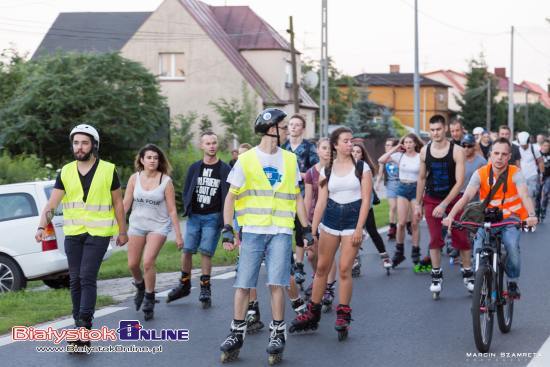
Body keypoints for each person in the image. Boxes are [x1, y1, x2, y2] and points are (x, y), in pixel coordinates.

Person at [218, 108, 313, 363]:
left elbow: (297, 197)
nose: (286, 130)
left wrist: (306, 228)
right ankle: (236, 332)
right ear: (270, 129)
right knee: (243, 283)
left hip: (281, 231)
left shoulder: (290, 160)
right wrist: (228, 228)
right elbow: (231, 197)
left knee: (277, 283)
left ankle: (277, 333)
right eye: (283, 127)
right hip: (252, 231)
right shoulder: (247, 159)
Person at [35, 124, 127, 349]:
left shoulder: (108, 169)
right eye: (76, 142)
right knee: (74, 280)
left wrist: (122, 231)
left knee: (87, 277)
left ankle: (84, 326)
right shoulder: (65, 171)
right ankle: (79, 325)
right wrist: (41, 226)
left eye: (84, 142)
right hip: (74, 234)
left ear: (94, 145)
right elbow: (52, 203)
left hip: (99, 233)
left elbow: (117, 203)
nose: (79, 147)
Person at [290, 127, 371, 340]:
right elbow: (321, 202)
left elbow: (365, 201)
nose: (350, 144)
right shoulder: (327, 169)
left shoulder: (362, 168)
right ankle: (312, 313)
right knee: (322, 268)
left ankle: (343, 313)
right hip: (331, 221)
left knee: (344, 269)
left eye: (351, 140)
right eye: (345, 141)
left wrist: (360, 228)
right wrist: (312, 229)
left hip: (352, 221)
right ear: (336, 145)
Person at [443, 138, 539, 299]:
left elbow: (524, 195)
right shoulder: (480, 174)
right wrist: (451, 216)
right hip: (486, 220)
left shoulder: (515, 173)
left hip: (510, 220)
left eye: (503, 154)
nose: (499, 157)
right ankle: (482, 281)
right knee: (478, 250)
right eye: (496, 153)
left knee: (511, 246)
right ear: (490, 155)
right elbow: (466, 196)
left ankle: (512, 282)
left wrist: (531, 215)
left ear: (509, 157)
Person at [166, 131, 231, 308]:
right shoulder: (195, 167)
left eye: (214, 143)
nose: (211, 146)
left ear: (217, 145)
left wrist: (226, 222)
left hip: (213, 216)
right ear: (201, 146)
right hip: (195, 216)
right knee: (187, 250)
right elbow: (188, 188)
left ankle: (205, 287)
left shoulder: (224, 169)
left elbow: (229, 195)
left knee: (206, 252)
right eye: (208, 143)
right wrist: (188, 208)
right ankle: (184, 282)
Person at [415, 115, 473, 297]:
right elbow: (422, 178)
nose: (435, 133)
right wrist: (418, 204)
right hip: (431, 199)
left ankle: (468, 273)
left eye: (438, 129)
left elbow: (460, 181)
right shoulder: (425, 151)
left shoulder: (457, 151)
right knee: (434, 239)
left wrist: (445, 204)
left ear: (445, 129)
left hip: (453, 199)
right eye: (432, 130)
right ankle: (436, 275)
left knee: (461, 237)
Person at [123, 144, 183, 320]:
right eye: (149, 157)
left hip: (158, 226)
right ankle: (140, 285)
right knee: (133, 264)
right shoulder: (135, 178)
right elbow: (126, 204)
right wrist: (117, 227)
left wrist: (178, 235)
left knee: (148, 261)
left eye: (156, 158)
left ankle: (149, 296)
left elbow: (172, 210)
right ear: (142, 160)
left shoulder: (165, 181)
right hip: (137, 225)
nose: (152, 161)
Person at [282, 114, 319, 288]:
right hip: (284, 194)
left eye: (297, 125)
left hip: (303, 193)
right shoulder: (283, 148)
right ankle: (290, 261)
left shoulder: (308, 147)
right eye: (291, 125)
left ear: (303, 128)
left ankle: (299, 265)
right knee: (284, 228)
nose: (294, 127)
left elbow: (315, 171)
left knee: (300, 228)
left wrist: (301, 175)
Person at [379, 133, 423, 268]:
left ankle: (416, 253)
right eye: (406, 142)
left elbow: (423, 177)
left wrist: (421, 202)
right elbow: (381, 160)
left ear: (415, 143)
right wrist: (396, 147)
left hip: (416, 189)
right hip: (402, 188)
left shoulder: (420, 157)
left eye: (410, 142)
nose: (408, 145)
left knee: (415, 224)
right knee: (401, 223)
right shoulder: (399, 156)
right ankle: (399, 252)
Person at [303, 138, 337, 303]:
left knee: (327, 255)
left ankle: (328, 286)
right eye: (323, 148)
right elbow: (308, 199)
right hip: (314, 217)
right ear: (317, 150)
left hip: (332, 217)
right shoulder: (311, 173)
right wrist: (305, 222)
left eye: (330, 148)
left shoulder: (338, 169)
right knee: (311, 255)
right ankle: (319, 278)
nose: (327, 151)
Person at [352, 142, 392, 273]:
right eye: (353, 151)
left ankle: (384, 256)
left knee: (372, 231)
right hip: (350, 207)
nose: (355, 154)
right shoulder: (344, 168)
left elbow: (367, 192)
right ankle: (355, 259)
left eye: (358, 152)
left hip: (365, 205)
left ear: (362, 155)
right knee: (352, 234)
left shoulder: (365, 168)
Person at [517, 131, 544, 219]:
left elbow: (540, 161)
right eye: (521, 145)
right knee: (521, 195)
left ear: (528, 141)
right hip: (520, 176)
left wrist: (541, 174)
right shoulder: (517, 148)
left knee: (531, 195)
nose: (523, 146)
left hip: (532, 175)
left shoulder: (534, 148)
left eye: (524, 145)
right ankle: (523, 213)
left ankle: (531, 214)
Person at [376, 138, 400, 240]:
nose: (386, 147)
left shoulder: (399, 157)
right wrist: (377, 182)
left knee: (403, 208)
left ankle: (407, 224)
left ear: (394, 147)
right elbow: (380, 172)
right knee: (393, 207)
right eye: (386, 145)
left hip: (401, 184)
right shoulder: (384, 159)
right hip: (390, 184)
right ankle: (392, 228)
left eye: (389, 145)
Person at [540, 139, 550, 222]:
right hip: (538, 176)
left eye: (548, 146)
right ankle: (537, 211)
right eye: (544, 145)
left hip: (548, 177)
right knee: (537, 194)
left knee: (546, 192)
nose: (546, 147)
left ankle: (543, 210)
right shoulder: (537, 153)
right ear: (541, 146)